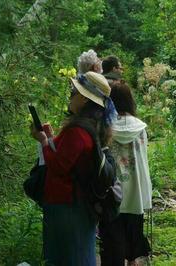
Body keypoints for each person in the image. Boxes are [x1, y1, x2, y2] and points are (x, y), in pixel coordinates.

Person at [30, 71, 116, 265]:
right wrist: (51, 139)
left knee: (68, 257)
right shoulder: (91, 127)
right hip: (78, 203)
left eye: (74, 91)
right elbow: (69, 159)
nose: (70, 94)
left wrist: (43, 141)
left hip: (67, 206)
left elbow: (59, 165)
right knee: (79, 253)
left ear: (85, 99)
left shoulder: (77, 131)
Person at [99, 82, 152, 266]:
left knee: (113, 234)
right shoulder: (140, 127)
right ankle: (132, 261)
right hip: (135, 188)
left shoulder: (106, 127)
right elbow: (142, 159)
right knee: (133, 230)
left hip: (114, 188)